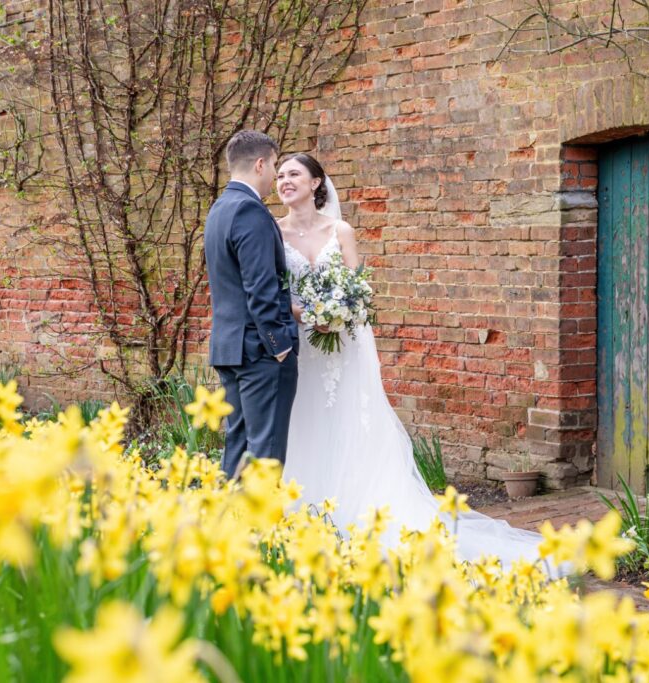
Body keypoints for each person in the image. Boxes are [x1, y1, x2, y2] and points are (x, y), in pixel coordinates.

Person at [276, 152, 543, 566]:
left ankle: (360, 511)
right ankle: (307, 513)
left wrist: (338, 313)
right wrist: (310, 315)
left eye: (293, 173)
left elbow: (358, 291)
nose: (284, 180)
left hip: (342, 347)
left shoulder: (340, 231)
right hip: (304, 347)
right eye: (279, 175)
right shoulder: (274, 234)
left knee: (349, 419)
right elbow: (276, 293)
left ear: (315, 183)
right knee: (305, 419)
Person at [204, 131, 299, 479]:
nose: (275, 174)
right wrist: (279, 347)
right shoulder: (250, 211)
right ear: (260, 164)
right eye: (275, 165)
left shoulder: (219, 208)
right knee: (266, 452)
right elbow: (260, 288)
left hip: (229, 348)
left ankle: (226, 528)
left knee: (239, 445)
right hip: (259, 352)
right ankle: (257, 532)